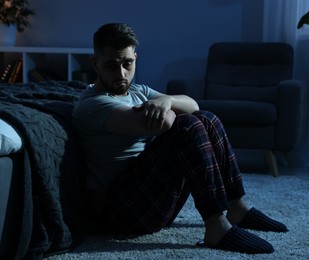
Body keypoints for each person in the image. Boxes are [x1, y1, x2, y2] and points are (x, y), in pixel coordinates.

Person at [72, 23, 288, 254]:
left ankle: (238, 207)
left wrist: (167, 101)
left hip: (150, 201)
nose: (121, 73)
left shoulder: (138, 92)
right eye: (111, 66)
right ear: (95, 64)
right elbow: (164, 123)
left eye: (127, 63)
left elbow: (194, 106)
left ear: (135, 57)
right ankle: (215, 226)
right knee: (187, 126)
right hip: (119, 212)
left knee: (207, 118)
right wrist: (168, 103)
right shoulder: (92, 104)